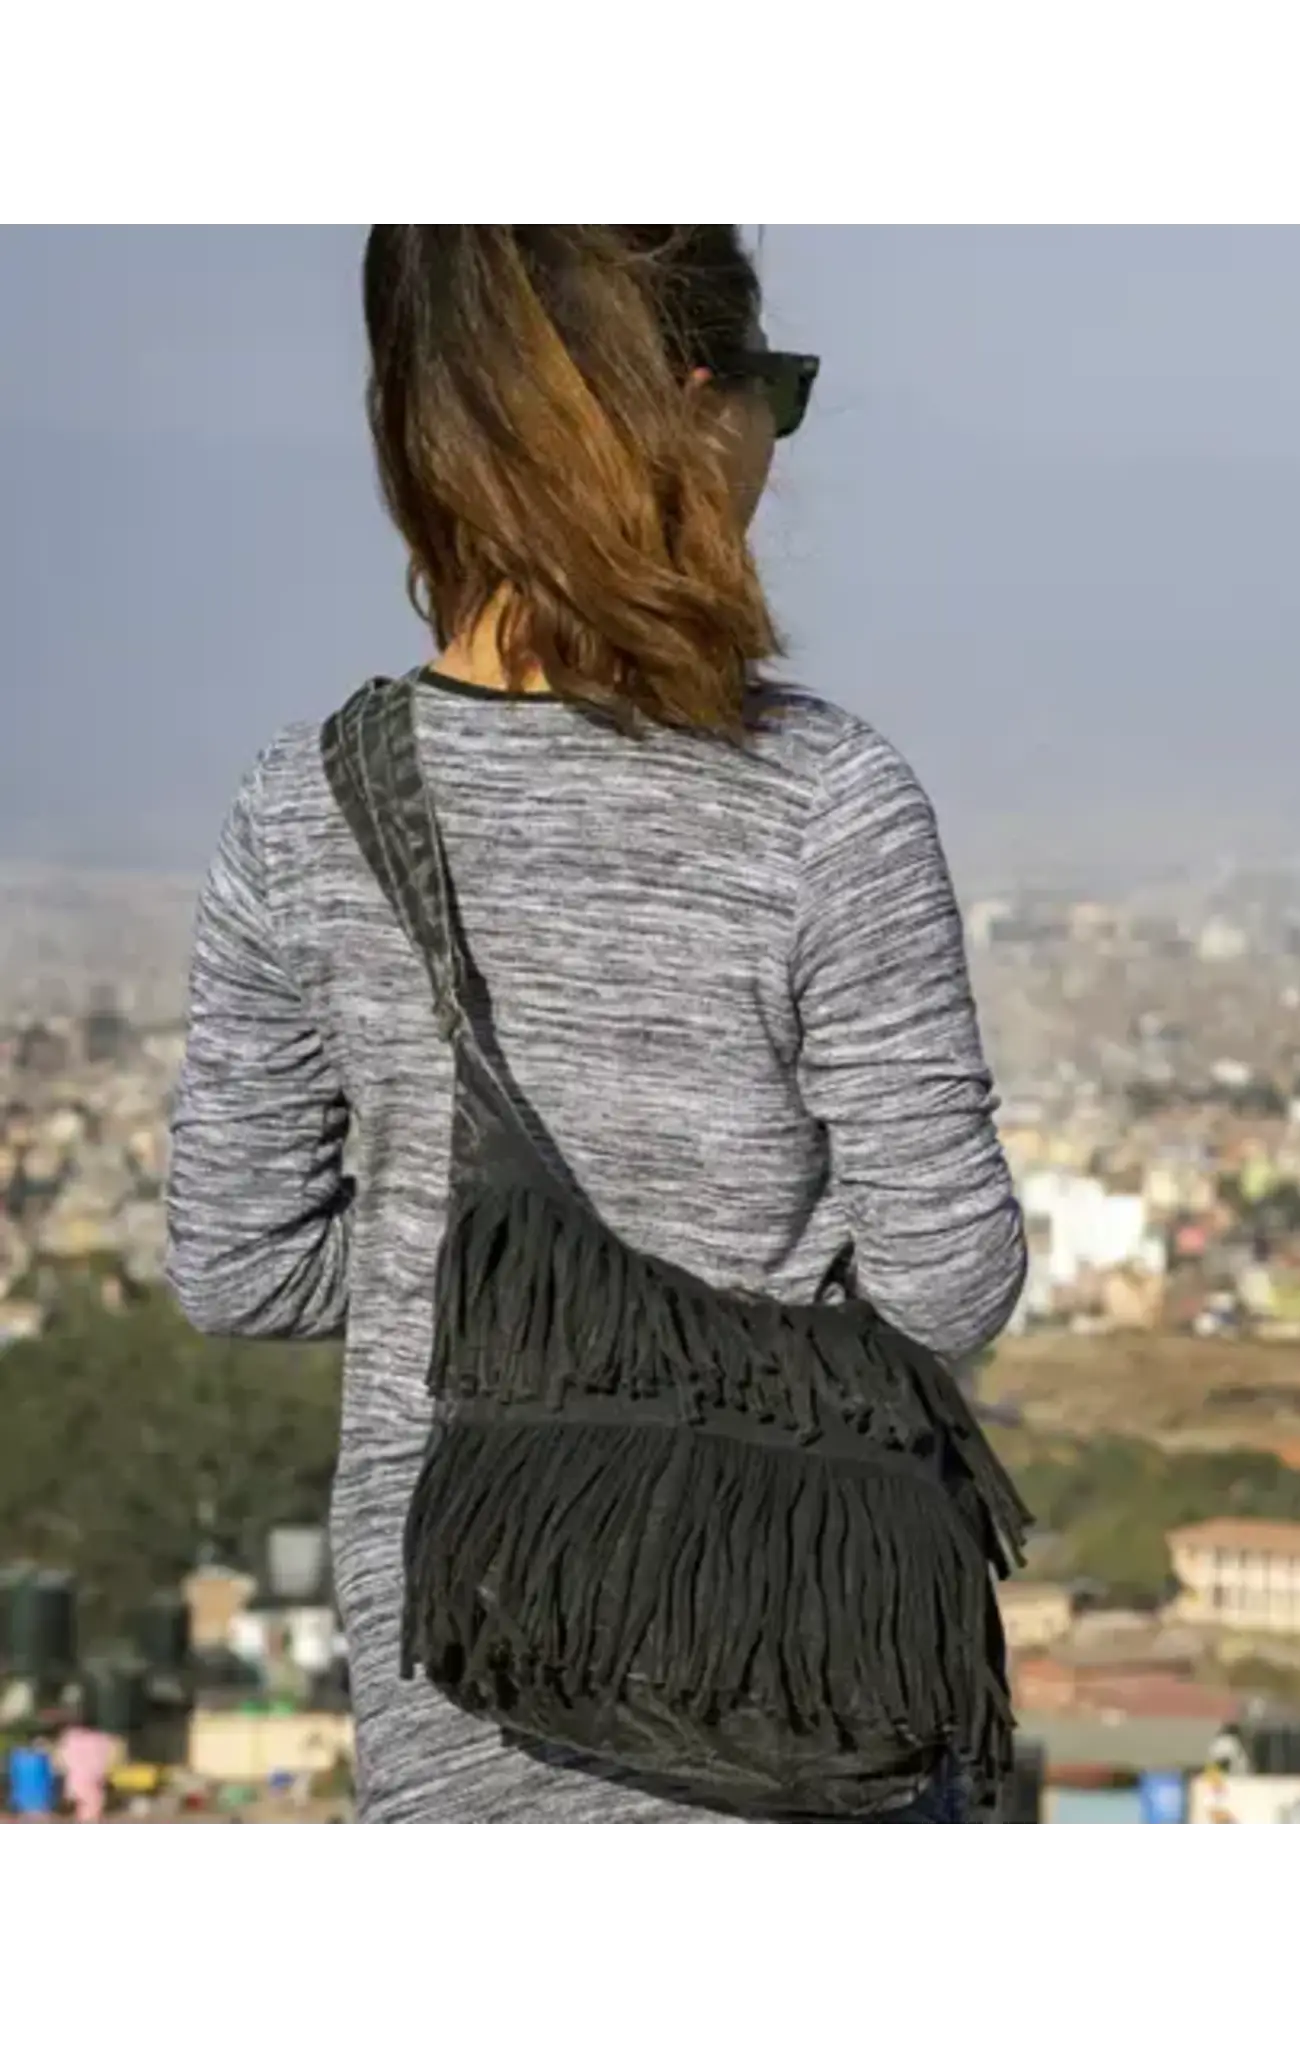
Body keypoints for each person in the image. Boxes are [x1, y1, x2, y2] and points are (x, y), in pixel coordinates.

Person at [167, 222, 1026, 1825]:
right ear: (691, 410)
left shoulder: (308, 807)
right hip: (792, 1672)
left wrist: (494, 1277)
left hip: (467, 1670)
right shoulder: (826, 803)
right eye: (773, 389)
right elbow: (949, 1279)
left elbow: (240, 1265)